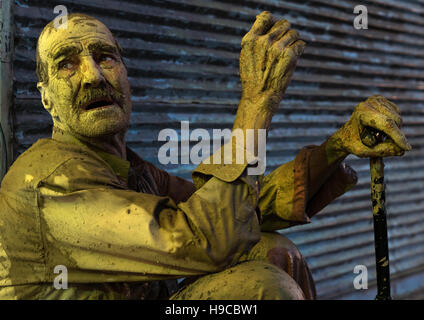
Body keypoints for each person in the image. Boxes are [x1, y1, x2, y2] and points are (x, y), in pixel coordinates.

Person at [0, 11, 411, 300]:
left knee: (273, 250)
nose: (93, 75)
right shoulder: (49, 183)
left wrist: (340, 144)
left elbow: (241, 208)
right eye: (67, 65)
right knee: (262, 288)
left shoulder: (129, 169)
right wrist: (256, 103)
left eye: (105, 57)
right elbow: (202, 242)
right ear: (47, 100)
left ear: (126, 76)